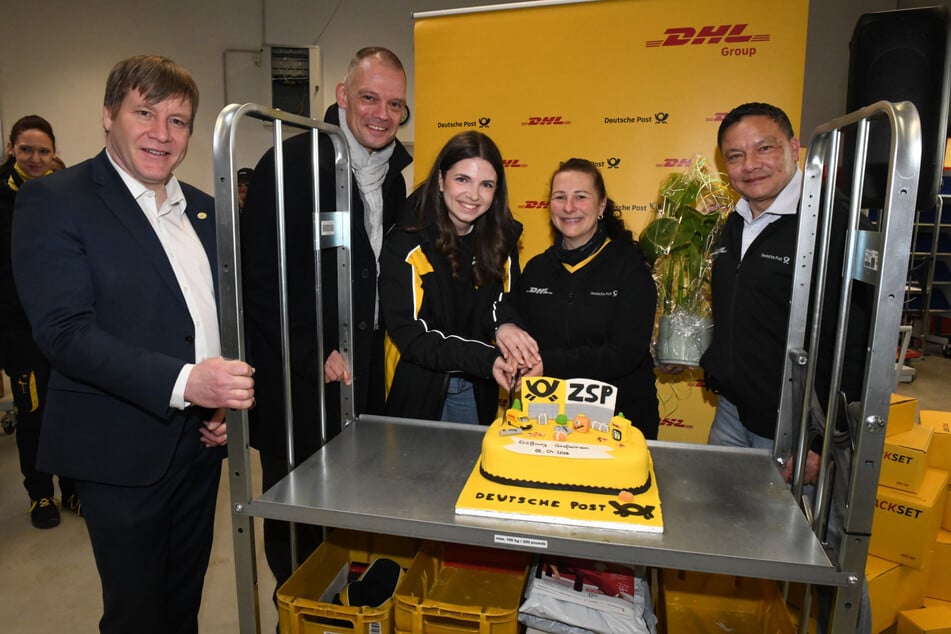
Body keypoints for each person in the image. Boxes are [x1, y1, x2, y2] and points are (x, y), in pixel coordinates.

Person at [11, 55, 255, 634]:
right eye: (144, 113)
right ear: (107, 115)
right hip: (118, 450)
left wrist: (217, 397)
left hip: (199, 444)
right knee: (137, 615)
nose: (161, 134)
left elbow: (213, 316)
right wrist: (186, 383)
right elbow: (64, 333)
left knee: (183, 605)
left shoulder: (203, 208)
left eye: (178, 121)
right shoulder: (57, 201)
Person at [241, 46, 412, 593]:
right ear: (342, 96)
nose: (382, 114)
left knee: (355, 509)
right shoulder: (289, 163)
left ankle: (342, 609)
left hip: (363, 380)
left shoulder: (394, 179)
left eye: (395, 104)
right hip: (300, 383)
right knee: (297, 519)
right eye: (369, 97)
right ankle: (297, 611)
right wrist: (312, 352)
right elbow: (260, 283)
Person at [698, 102, 870, 633]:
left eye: (764, 147)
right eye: (735, 155)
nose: (750, 164)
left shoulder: (832, 223)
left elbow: (856, 339)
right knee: (724, 533)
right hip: (733, 414)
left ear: (793, 148)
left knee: (824, 560)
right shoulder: (735, 222)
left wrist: (818, 439)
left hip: (799, 428)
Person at [495, 158, 660, 439]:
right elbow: (509, 312)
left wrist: (547, 362)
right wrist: (505, 327)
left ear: (602, 205)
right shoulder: (536, 269)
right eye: (560, 197)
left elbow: (624, 354)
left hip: (619, 422)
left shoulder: (629, 268)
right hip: (548, 422)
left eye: (580, 197)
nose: (569, 207)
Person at [379, 130, 533, 425]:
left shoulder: (501, 237)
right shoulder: (406, 242)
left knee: (471, 468)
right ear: (441, 179)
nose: (473, 195)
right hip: (420, 383)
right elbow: (414, 337)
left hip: (478, 384)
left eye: (486, 184)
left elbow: (504, 299)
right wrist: (486, 359)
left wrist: (507, 325)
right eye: (462, 179)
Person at [0, 115, 80, 528]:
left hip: (66, 325)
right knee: (35, 410)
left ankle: (71, 486)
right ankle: (39, 494)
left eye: (43, 151)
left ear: (54, 154)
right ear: (12, 147)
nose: (35, 158)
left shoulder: (65, 194)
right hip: (20, 330)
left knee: (68, 405)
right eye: (27, 149)